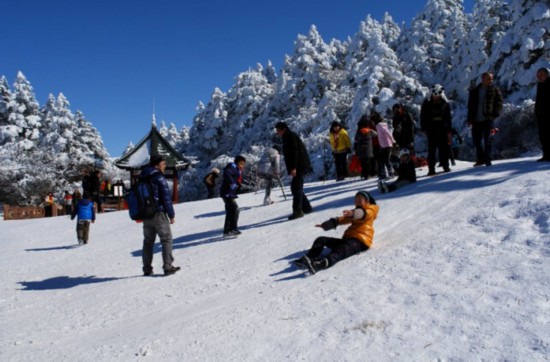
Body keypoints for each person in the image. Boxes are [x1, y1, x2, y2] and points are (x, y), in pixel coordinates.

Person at [294, 191, 379, 274]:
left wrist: (353, 213)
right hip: (349, 239)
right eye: (356, 199)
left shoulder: (370, 210)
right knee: (321, 239)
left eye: (360, 199)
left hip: (361, 241)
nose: (357, 201)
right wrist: (328, 224)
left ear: (367, 201)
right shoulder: (355, 211)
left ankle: (321, 264)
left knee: (340, 250)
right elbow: (344, 219)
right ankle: (310, 257)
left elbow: (363, 213)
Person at [140, 155, 180, 276]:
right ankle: (167, 267)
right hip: (159, 214)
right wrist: (171, 214)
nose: (165, 166)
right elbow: (166, 198)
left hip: (146, 215)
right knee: (166, 240)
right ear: (157, 165)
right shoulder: (159, 178)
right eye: (163, 164)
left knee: (148, 242)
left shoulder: (143, 177)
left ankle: (147, 269)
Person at [275, 122, 312, 220]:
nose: (277, 132)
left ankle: (298, 211)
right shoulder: (288, 136)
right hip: (300, 165)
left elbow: (295, 152)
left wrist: (294, 167)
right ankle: (307, 208)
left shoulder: (290, 136)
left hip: (299, 165)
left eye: (278, 130)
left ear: (283, 129)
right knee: (296, 187)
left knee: (296, 188)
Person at [467, 72, 503, 167]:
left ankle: (488, 160)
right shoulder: (475, 91)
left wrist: (495, 114)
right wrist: (469, 119)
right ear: (482, 79)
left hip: (488, 120)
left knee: (488, 141)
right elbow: (470, 106)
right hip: (476, 120)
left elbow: (499, 103)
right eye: (488, 79)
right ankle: (480, 159)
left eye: (491, 79)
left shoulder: (494, 90)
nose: (490, 81)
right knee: (476, 141)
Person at [420, 84, 452, 175]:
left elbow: (448, 117)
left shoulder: (445, 103)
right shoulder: (427, 103)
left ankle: (446, 166)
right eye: (435, 95)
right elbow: (423, 116)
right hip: (431, 129)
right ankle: (431, 169)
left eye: (438, 95)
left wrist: (449, 129)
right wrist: (424, 128)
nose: (436, 97)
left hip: (442, 129)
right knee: (432, 150)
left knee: (444, 149)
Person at [220, 155, 246, 236]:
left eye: (243, 164)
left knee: (230, 211)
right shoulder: (232, 167)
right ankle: (232, 229)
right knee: (235, 210)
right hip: (227, 193)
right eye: (241, 163)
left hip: (228, 193)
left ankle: (227, 231)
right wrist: (232, 183)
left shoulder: (236, 169)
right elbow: (227, 173)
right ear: (236, 162)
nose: (243, 166)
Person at [371, 112, 396, 179]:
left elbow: (388, 133)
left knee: (386, 160)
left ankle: (391, 173)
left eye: (372, 121)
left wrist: (393, 141)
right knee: (382, 160)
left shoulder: (379, 125)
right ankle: (383, 174)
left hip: (387, 145)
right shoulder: (379, 126)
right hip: (384, 146)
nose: (372, 123)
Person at [354, 115, 378, 180]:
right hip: (369, 149)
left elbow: (356, 139)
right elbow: (376, 134)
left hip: (361, 148)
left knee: (362, 162)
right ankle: (368, 175)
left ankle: (363, 174)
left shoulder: (359, 131)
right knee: (368, 162)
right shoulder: (370, 131)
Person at [535, 67, 550, 162]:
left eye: (540, 75)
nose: (539, 77)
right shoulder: (540, 85)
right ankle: (547, 155)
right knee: (543, 136)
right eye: (538, 76)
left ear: (546, 74)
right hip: (541, 115)